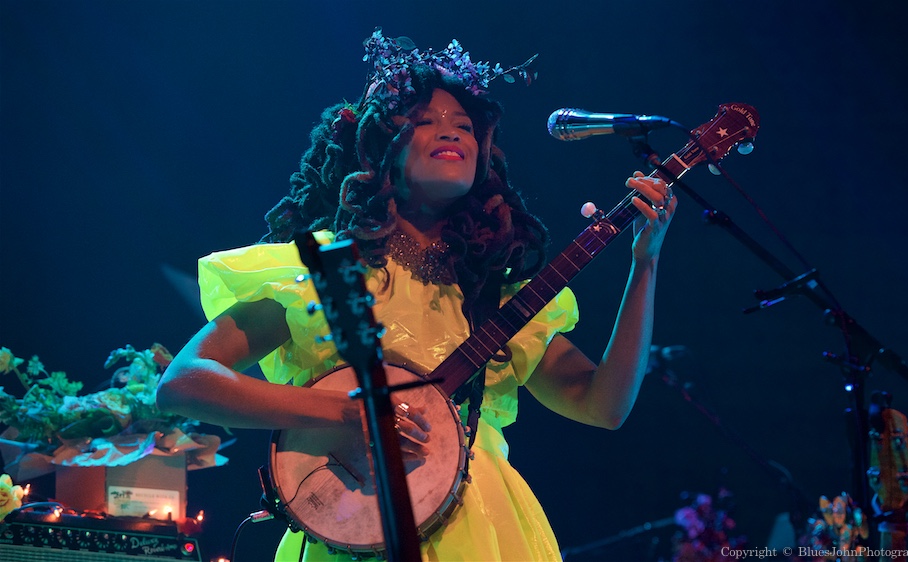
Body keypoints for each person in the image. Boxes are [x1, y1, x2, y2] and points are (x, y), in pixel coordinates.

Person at [156, 29, 677, 561]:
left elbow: (603, 405)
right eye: (424, 120)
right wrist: (348, 413)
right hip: (350, 523)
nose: (450, 131)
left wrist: (646, 264)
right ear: (380, 148)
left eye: (464, 125)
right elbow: (183, 382)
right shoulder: (321, 271)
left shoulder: (495, 293)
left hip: (486, 531)